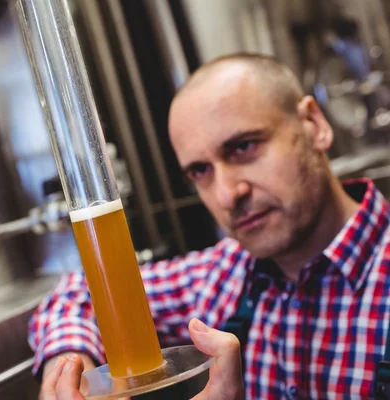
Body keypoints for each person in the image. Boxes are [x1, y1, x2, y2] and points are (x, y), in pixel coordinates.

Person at [28, 53, 390, 399]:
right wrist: (69, 366)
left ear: (314, 124)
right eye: (200, 171)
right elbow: (74, 296)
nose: (227, 195)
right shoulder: (222, 275)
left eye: (244, 147)